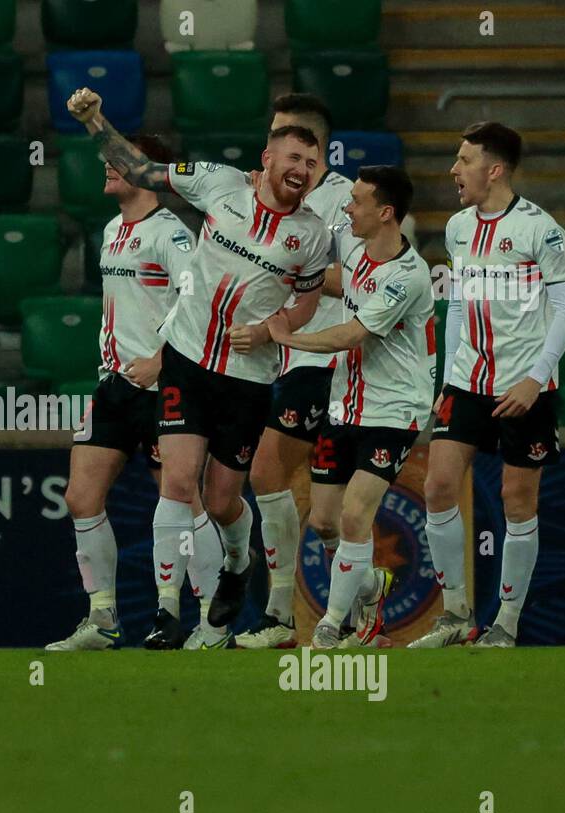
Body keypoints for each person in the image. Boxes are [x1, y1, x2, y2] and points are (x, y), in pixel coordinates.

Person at [66, 87, 331, 650]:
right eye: (293, 158)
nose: (302, 169)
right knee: (179, 485)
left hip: (248, 378)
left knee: (219, 501)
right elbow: (140, 166)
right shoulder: (217, 182)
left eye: (312, 163)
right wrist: (95, 119)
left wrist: (269, 330)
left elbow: (305, 303)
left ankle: (240, 556)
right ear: (267, 159)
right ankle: (167, 612)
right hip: (186, 360)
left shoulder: (312, 236)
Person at [45, 135, 223, 651]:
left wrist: (162, 360)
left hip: (168, 386)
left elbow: (202, 307)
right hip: (116, 385)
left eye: (117, 161)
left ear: (146, 172)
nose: (106, 167)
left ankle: (211, 619)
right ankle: (102, 619)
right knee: (80, 496)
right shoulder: (111, 231)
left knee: (185, 499)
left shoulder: (173, 235)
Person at [409, 122, 565, 649]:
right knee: (437, 486)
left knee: (516, 499)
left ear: (495, 169)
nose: (454, 171)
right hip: (468, 381)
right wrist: (447, 378)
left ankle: (505, 622)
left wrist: (535, 379)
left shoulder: (540, 229)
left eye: (464, 160)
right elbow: (456, 304)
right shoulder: (459, 227)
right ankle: (456, 614)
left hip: (524, 385)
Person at [265, 166, 436, 649]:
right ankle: (368, 587)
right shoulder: (361, 254)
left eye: (356, 201)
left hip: (393, 412)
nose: (346, 207)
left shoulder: (408, 276)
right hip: (345, 407)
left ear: (385, 213)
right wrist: (290, 271)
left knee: (357, 514)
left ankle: (331, 625)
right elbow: (340, 279)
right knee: (324, 521)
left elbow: (353, 333)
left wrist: (289, 337)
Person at [233, 93, 360, 650]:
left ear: (313, 146)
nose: (276, 152)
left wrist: (297, 269)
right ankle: (356, 612)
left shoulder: (350, 199)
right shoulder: (264, 198)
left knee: (270, 476)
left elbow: (364, 279)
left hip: (328, 361)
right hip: (279, 360)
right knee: (325, 514)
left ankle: (282, 616)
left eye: (287, 140)